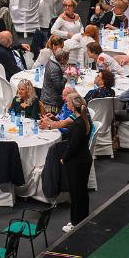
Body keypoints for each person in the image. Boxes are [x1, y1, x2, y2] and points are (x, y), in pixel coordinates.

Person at [55, 87, 92, 233]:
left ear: (73, 106)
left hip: (76, 162)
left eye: (69, 103)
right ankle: (83, 218)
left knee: (76, 193)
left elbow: (73, 146)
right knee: (82, 192)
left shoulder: (77, 125)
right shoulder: (83, 120)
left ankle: (75, 222)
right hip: (84, 160)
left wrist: (64, 158)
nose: (67, 105)